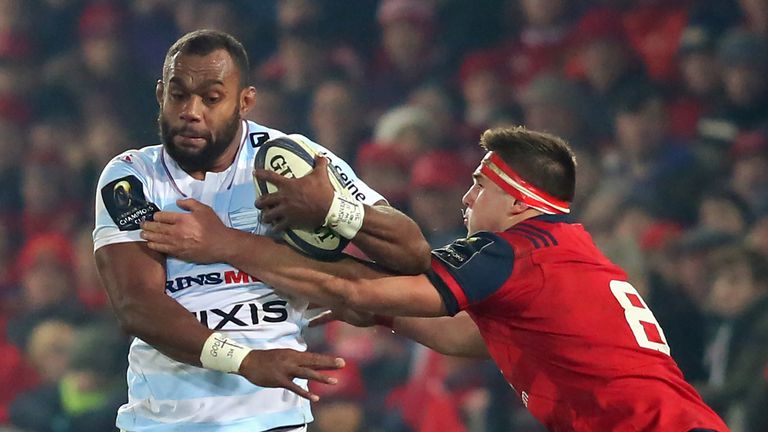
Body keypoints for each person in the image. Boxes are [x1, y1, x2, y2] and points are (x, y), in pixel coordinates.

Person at [142, 126, 729, 431]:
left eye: (481, 185)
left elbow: (355, 287)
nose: (467, 198)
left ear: (519, 199)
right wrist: (381, 312)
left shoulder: (511, 251)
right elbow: (468, 336)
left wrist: (226, 243)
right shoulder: (568, 253)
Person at [93, 29, 430, 432]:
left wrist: (331, 208)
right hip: (162, 420)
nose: (191, 111)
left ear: (245, 101)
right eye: (178, 95)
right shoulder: (133, 176)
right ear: (160, 94)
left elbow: (412, 251)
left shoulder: (294, 160)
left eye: (212, 98)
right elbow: (136, 307)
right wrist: (246, 361)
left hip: (272, 419)